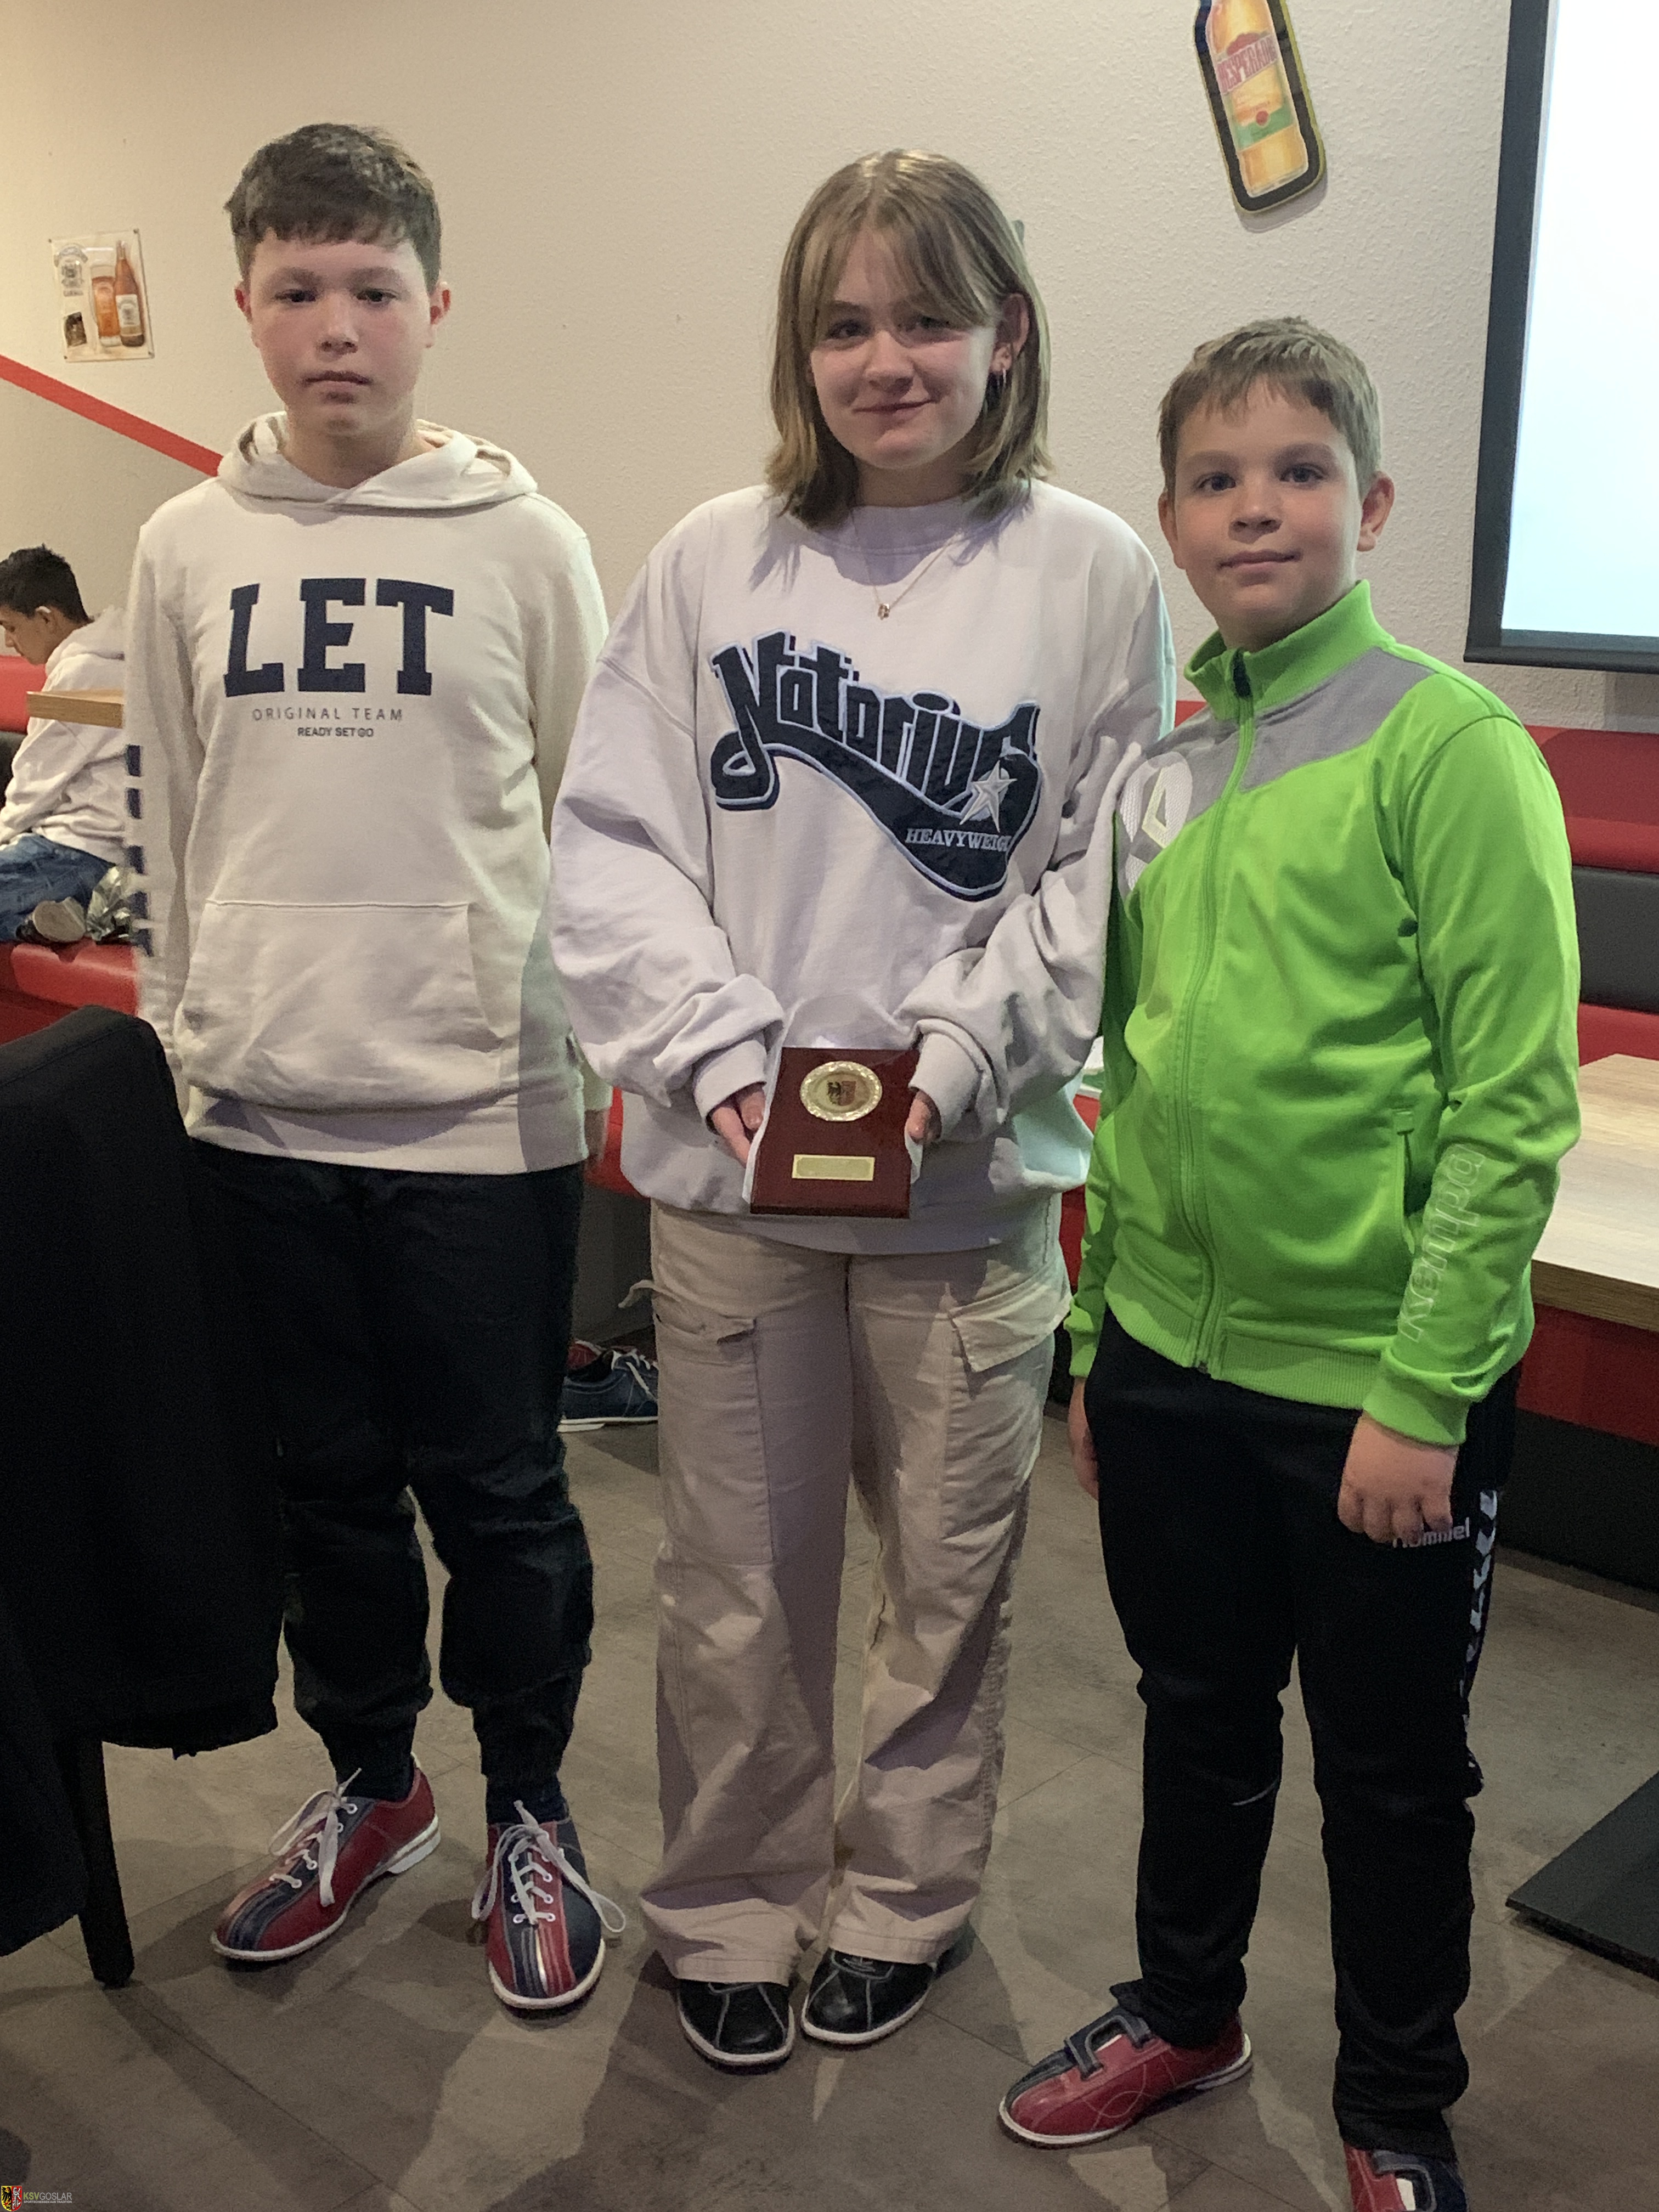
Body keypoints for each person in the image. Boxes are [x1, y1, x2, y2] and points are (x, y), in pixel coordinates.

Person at [550, 149, 1172, 2070]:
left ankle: (902, 1898)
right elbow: (614, 848)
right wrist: (730, 1058)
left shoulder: (1092, 571)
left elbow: (1109, 867)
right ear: (798, 349)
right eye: (843, 324)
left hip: (969, 1185)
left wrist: (959, 1055)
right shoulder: (707, 560)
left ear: (1008, 334)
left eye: (927, 317)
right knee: (734, 1584)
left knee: (949, 1583)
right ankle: (731, 1900)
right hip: (732, 1179)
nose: (885, 359)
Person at [997, 319, 1579, 2212]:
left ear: (1372, 502)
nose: (1258, 507)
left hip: (1377, 1393)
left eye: (1300, 470)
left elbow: (1511, 1109)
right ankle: (1187, 2010)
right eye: (1218, 478)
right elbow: (1126, 1073)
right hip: (1171, 1364)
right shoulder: (1160, 775)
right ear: (1171, 517)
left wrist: (1422, 1393)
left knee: (1393, 1776)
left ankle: (1397, 2107)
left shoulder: (1449, 748)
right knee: (1196, 1716)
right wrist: (1101, 1344)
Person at [125, 121, 622, 2012]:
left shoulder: (527, 544)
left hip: (479, 1115)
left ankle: (532, 1806)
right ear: (247, 306)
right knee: (321, 1486)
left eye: (373, 289)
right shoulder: (184, 545)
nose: (337, 325)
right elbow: (173, 819)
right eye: (297, 290)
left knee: (500, 1494)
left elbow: (594, 818)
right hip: (261, 1111)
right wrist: (191, 1045)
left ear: (434, 304)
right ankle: (373, 1782)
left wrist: (593, 1060)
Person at [0, 545, 126, 944]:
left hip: (72, 853)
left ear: (46, 618)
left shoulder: (81, 673)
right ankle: (35, 926)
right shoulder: (123, 659)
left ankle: (49, 919)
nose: (9, 642)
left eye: (11, 627)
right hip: (106, 857)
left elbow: (34, 784)